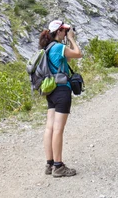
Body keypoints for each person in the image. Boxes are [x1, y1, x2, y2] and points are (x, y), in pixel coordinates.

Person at [39, 19, 82, 178]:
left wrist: (67, 41)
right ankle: (59, 166)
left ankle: (49, 163)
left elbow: (68, 59)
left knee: (49, 128)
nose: (66, 33)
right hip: (62, 90)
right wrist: (71, 39)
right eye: (64, 31)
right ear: (59, 32)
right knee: (58, 129)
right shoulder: (59, 47)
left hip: (51, 91)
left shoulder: (48, 48)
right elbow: (78, 54)